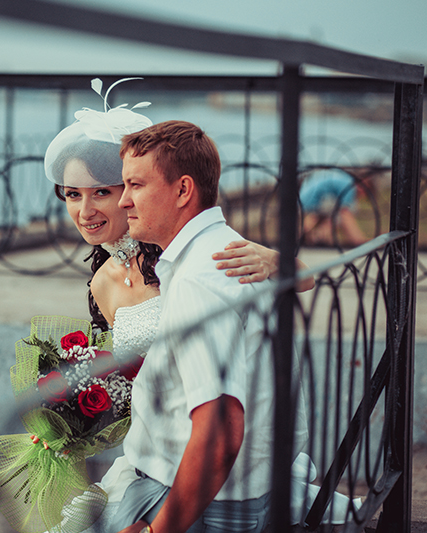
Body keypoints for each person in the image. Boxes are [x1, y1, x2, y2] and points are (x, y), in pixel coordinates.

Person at [42, 87, 322, 533]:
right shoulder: (104, 282)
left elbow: (220, 424)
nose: (85, 210)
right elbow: (147, 376)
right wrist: (76, 412)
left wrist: (275, 260)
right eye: (72, 194)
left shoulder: (191, 260)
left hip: (204, 468)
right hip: (164, 449)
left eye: (107, 191)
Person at [109, 120, 309, 533]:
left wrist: (157, 530)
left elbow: (220, 433)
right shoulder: (226, 249)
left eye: (136, 185)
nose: (123, 201)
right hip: (233, 493)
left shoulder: (200, 279)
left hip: (199, 506)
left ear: (183, 190)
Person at [300, 168, 367, 247]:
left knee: (329, 214)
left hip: (304, 196)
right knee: (340, 216)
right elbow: (345, 213)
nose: (362, 196)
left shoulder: (346, 179)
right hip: (312, 199)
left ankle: (314, 236)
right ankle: (318, 236)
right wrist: (357, 239)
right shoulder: (350, 186)